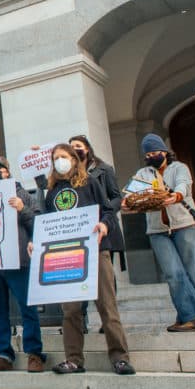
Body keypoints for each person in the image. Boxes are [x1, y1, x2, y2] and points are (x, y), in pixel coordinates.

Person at [43, 144, 135, 376]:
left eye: (63, 157)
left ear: (74, 160)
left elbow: (107, 210)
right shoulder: (52, 192)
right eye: (55, 158)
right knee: (71, 311)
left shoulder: (89, 183)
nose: (59, 161)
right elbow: (47, 224)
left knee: (107, 306)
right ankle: (73, 359)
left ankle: (120, 358)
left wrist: (104, 224)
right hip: (67, 256)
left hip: (95, 251)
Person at [127, 133, 195, 332]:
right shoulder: (143, 173)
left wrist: (175, 196)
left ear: (164, 151)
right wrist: (128, 202)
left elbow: (184, 185)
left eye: (155, 152)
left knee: (190, 273)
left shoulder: (178, 167)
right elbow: (132, 194)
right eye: (148, 154)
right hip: (157, 230)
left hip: (184, 225)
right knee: (173, 273)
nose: (152, 156)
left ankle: (187, 317)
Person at [0, 156, 46, 373]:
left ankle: (34, 352)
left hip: (17, 261)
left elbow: (37, 222)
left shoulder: (20, 192)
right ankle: (4, 353)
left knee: (27, 308)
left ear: (7, 171)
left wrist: (22, 208)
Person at [69, 135, 126, 332]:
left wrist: (104, 214)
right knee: (78, 274)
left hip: (103, 229)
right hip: (78, 231)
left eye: (78, 146)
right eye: (71, 147)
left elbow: (117, 196)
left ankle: (108, 320)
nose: (75, 149)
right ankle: (81, 319)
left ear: (87, 149)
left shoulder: (104, 170)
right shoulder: (69, 175)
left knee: (105, 276)